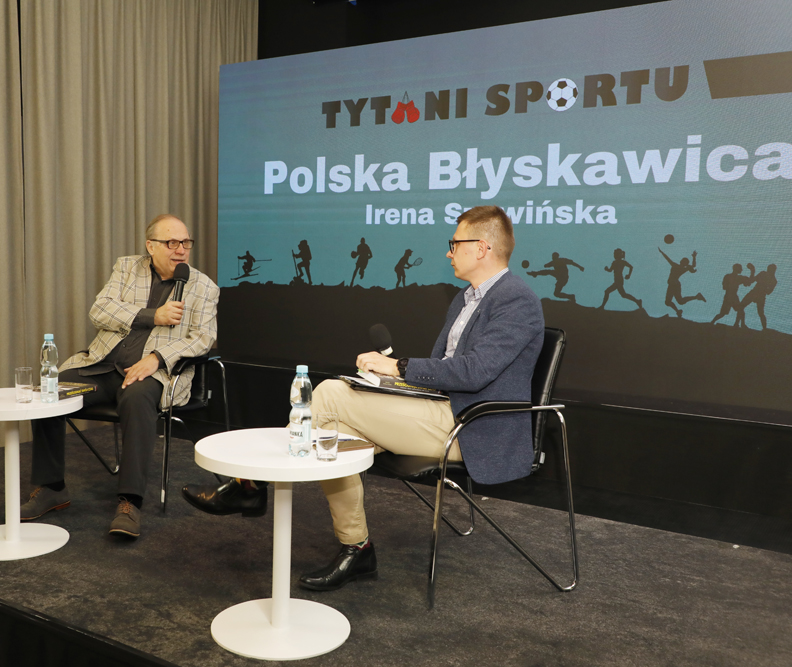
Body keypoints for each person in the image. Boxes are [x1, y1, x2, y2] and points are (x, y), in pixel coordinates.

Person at [182, 206, 543, 591]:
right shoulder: (465, 298)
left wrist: (399, 367)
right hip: (441, 408)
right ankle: (357, 548)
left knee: (330, 395)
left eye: (455, 244)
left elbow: (475, 372)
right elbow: (446, 368)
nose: (448, 252)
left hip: (473, 426)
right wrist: (388, 383)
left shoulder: (516, 300)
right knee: (333, 429)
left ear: (482, 247)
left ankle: (251, 487)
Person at [21, 214, 218, 538]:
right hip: (102, 366)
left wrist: (157, 358)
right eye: (172, 242)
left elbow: (203, 338)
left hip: (154, 375)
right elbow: (100, 310)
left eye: (186, 242)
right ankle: (52, 487)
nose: (181, 249)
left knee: (138, 398)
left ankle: (129, 502)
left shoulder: (204, 287)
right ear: (150, 246)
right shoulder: (128, 268)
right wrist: (152, 315)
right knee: (49, 391)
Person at [658, 247, 705, 317]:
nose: (681, 260)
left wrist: (662, 252)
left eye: (683, 260)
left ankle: (679, 310)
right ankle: (695, 297)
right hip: (674, 285)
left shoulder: (678, 267)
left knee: (671, 302)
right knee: (678, 301)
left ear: (683, 262)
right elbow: (693, 267)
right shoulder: (681, 268)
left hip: (674, 285)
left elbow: (668, 259)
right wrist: (694, 257)